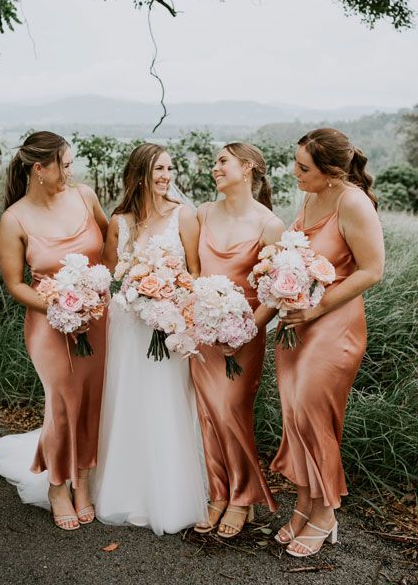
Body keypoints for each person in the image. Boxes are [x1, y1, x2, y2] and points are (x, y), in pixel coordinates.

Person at [271, 128, 384, 558]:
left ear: (332, 172)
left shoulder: (351, 201)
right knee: (294, 411)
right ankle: (304, 503)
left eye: (304, 168)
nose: (296, 173)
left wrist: (316, 308)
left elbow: (371, 270)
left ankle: (326, 512)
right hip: (296, 324)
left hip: (334, 324)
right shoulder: (310, 195)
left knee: (314, 413)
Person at [0, 131, 109, 531]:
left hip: (98, 317)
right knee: (62, 401)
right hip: (49, 324)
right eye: (65, 165)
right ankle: (57, 485)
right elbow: (16, 283)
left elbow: (111, 245)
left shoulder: (85, 197)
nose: (70, 172)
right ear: (40, 168)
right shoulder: (15, 218)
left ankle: (84, 481)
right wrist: (58, 305)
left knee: (92, 397)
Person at [93, 142, 208, 536]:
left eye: (169, 169)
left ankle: (168, 492)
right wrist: (136, 287)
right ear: (139, 174)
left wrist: (170, 295)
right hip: (128, 327)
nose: (166, 176)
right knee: (129, 401)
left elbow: (194, 273)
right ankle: (128, 491)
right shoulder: (120, 222)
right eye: (158, 169)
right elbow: (110, 276)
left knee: (166, 403)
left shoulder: (185, 216)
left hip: (168, 325)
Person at [190, 142, 284, 538]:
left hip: (244, 332)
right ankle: (217, 492)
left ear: (247, 168)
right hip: (202, 333)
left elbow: (276, 292)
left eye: (223, 161)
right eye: (214, 162)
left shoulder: (269, 225)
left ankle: (243, 497)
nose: (215, 167)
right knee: (208, 413)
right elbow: (192, 273)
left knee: (231, 410)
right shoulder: (202, 213)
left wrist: (245, 331)